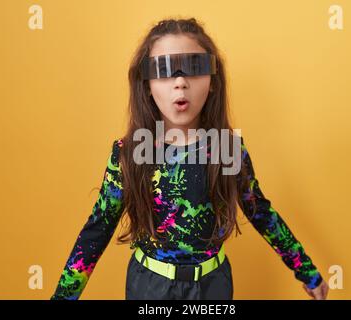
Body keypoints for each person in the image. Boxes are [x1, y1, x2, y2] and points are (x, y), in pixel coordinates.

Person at [50, 17, 329, 300]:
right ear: (146, 84)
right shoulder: (131, 151)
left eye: (194, 68)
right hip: (150, 288)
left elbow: (260, 212)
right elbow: (97, 230)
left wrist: (307, 271)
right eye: (165, 70)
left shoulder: (227, 148)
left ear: (212, 82)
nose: (180, 83)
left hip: (213, 287)